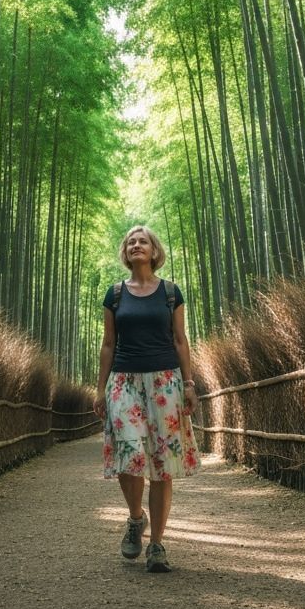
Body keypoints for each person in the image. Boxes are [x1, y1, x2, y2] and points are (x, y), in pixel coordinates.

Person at [93, 224, 200, 573]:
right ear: (125, 252)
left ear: (155, 252)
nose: (136, 245)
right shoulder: (115, 294)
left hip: (165, 381)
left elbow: (180, 340)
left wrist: (188, 383)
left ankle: (156, 544)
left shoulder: (170, 292)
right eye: (131, 242)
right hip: (124, 380)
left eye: (143, 241)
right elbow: (108, 344)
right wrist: (100, 388)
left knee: (162, 466)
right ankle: (136, 518)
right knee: (129, 455)